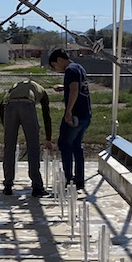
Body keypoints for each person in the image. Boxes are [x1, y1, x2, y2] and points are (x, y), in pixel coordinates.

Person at [0, 77, 52, 197]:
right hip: (27, 106)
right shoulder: (42, 91)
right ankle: (37, 187)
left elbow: (1, 106)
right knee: (33, 147)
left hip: (9, 107)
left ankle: (8, 185)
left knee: (9, 148)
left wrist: (6, 126)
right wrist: (48, 138)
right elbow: (46, 115)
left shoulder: (14, 87)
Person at [47, 48, 91, 192]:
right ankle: (79, 180)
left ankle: (68, 179)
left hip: (76, 115)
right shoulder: (79, 67)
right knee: (77, 145)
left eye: (55, 65)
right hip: (86, 114)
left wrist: (68, 112)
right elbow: (76, 87)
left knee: (65, 144)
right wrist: (63, 87)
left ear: (60, 60)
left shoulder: (70, 70)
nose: (56, 69)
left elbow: (74, 90)